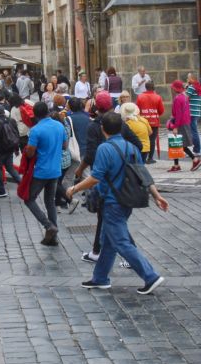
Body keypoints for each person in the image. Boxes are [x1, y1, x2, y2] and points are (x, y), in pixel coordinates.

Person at [71, 112, 169, 294]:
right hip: (126, 200)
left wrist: (74, 189)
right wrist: (156, 195)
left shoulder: (104, 149)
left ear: (102, 128)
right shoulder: (132, 148)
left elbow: (95, 178)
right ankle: (100, 278)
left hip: (112, 202)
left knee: (122, 242)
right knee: (108, 241)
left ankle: (150, 276)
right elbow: (143, 174)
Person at [22, 101, 68, 246]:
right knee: (50, 202)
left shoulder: (36, 130)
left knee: (29, 199)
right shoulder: (59, 125)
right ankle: (53, 236)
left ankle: (48, 226)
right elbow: (65, 146)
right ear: (48, 112)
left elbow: (30, 151)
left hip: (41, 171)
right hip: (55, 169)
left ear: (35, 114)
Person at [167, 80, 201, 172]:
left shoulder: (178, 98)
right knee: (177, 144)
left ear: (175, 88)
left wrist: (175, 127)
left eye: (172, 87)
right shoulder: (184, 97)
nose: (171, 89)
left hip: (181, 123)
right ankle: (176, 165)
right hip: (185, 122)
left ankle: (195, 159)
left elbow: (178, 114)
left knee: (179, 144)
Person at [0, 105, 21, 200]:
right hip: (10, 148)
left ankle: (1, 190)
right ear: (4, 112)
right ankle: (23, 185)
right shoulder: (11, 121)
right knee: (11, 168)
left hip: (0, 151)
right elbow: (16, 134)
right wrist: (16, 149)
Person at [135, 82, 164, 163]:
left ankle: (142, 156)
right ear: (153, 87)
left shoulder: (140, 97)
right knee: (152, 140)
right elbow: (161, 111)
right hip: (154, 122)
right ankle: (150, 158)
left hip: (143, 122)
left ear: (145, 87)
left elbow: (137, 110)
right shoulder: (158, 97)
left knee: (142, 139)